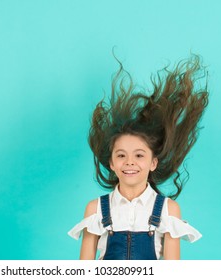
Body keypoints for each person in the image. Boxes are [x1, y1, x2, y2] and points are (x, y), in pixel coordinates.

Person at [68, 55, 209, 260]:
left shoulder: (168, 210)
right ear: (111, 163)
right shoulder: (96, 208)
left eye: (139, 155)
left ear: (153, 163)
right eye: (121, 155)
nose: (130, 162)